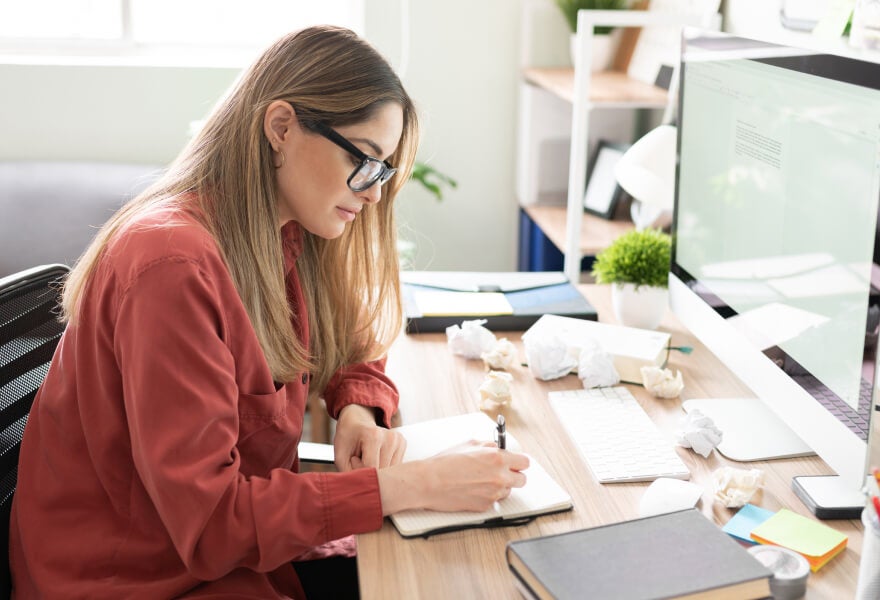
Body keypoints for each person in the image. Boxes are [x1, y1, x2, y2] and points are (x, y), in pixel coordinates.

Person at [9, 25, 529, 599]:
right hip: (135, 579)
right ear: (281, 127)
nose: (375, 192)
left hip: (222, 556)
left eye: (384, 171)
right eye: (366, 161)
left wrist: (358, 411)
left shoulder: (287, 229)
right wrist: (416, 485)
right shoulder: (170, 265)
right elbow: (211, 526)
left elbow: (352, 340)